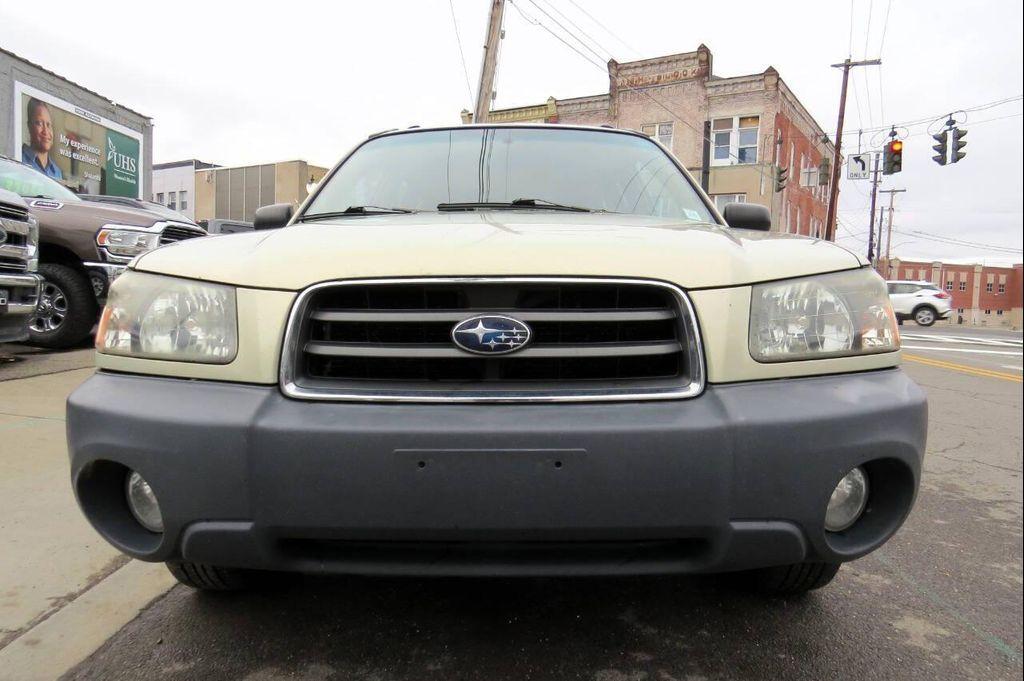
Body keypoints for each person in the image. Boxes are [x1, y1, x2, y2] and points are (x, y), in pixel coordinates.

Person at [21, 98, 63, 180]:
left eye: (48, 125)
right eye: (39, 123)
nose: (46, 131)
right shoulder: (19, 158)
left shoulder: (56, 172)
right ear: (29, 126)